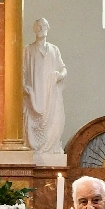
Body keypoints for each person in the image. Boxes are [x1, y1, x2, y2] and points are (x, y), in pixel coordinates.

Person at [22, 18, 67, 154]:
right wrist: (25, 87)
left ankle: (51, 147)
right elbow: (22, 72)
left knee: (55, 120)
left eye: (43, 25)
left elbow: (63, 68)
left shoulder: (54, 50)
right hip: (34, 95)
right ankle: (34, 146)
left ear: (48, 28)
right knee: (30, 120)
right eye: (38, 26)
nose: (41, 28)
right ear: (34, 29)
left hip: (50, 95)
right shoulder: (28, 50)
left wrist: (60, 75)